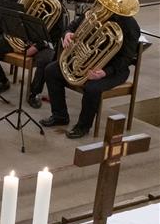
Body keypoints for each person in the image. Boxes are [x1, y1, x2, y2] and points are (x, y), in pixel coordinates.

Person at [40, 10, 140, 139]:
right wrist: (67, 34)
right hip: (86, 62)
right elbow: (71, 26)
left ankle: (83, 126)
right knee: (51, 70)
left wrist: (105, 72)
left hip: (114, 69)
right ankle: (60, 116)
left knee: (92, 88)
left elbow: (126, 59)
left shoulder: (130, 25)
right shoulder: (94, 12)